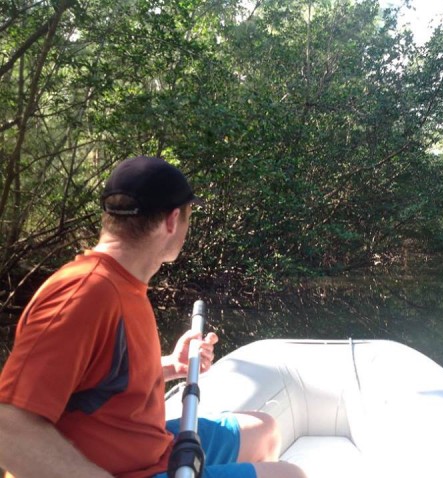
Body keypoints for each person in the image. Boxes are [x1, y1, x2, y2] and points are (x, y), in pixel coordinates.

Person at [0, 156, 306, 478]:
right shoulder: (83, 293)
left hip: (155, 448)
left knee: (265, 429)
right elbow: (9, 426)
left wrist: (173, 365)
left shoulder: (124, 283)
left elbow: (102, 382)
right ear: (172, 221)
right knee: (290, 475)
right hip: (128, 471)